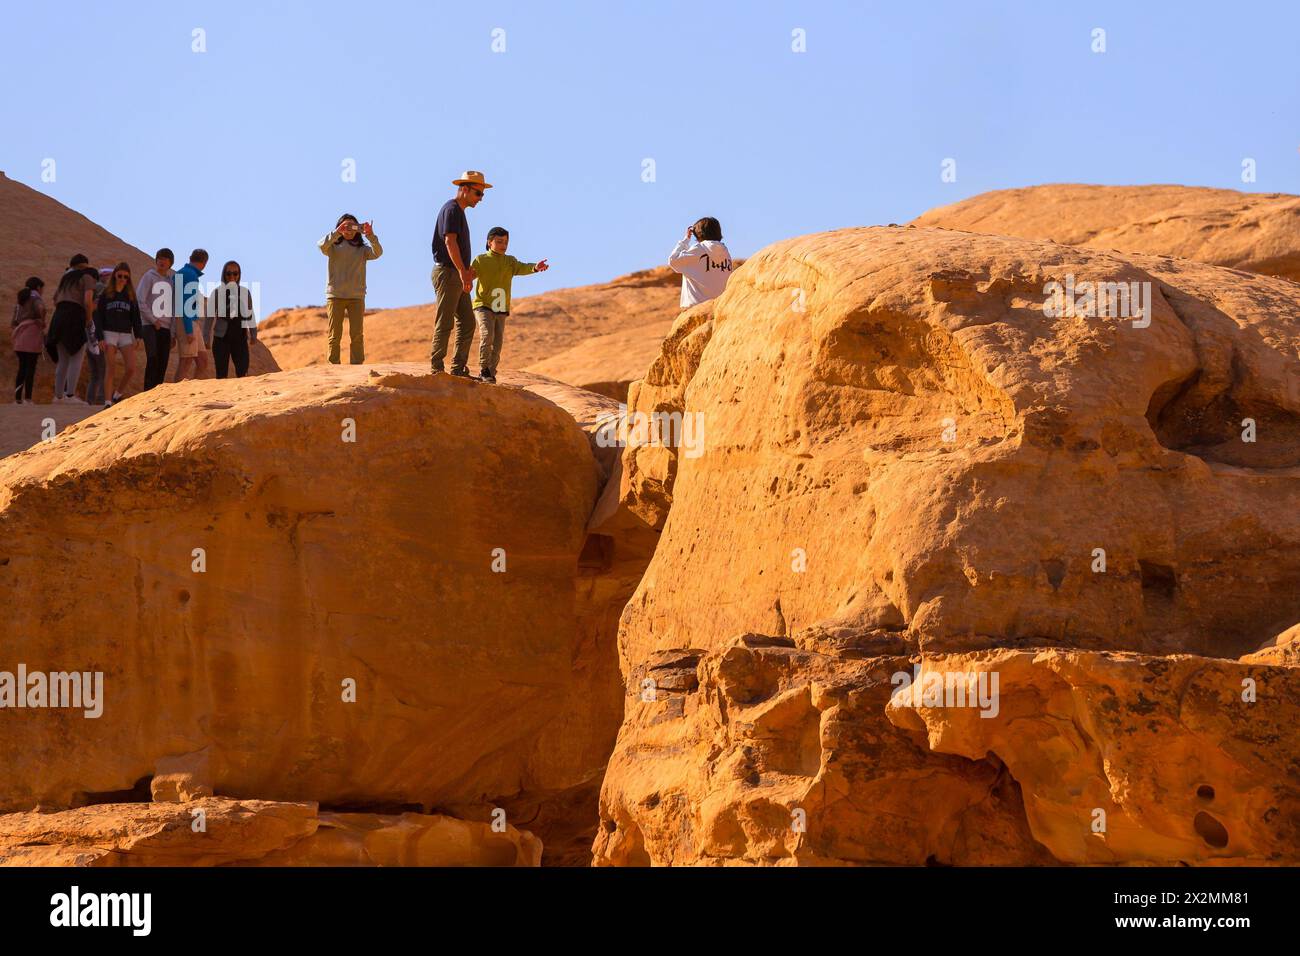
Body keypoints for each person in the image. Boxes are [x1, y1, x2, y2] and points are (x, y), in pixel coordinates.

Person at [469, 227, 548, 384]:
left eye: (505, 242)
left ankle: (491, 373)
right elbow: (469, 275)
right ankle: (483, 369)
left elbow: (523, 267)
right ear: (489, 242)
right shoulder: (480, 260)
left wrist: (535, 267)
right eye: (499, 242)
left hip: (501, 307)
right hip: (483, 305)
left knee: (498, 342)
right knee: (487, 335)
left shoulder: (510, 261)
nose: (503, 245)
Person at [430, 170, 489, 376]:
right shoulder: (452, 209)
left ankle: (457, 368)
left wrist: (465, 271)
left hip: (456, 273)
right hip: (448, 272)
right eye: (478, 193)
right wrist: (462, 271)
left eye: (482, 194)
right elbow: (449, 241)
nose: (481, 199)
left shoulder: (458, 211)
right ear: (464, 189)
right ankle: (437, 367)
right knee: (445, 321)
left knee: (467, 322)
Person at [318, 214, 382, 364]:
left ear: (358, 229)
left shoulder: (363, 249)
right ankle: (333, 366)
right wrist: (336, 233)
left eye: (353, 227)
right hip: (335, 295)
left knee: (357, 334)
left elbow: (378, 253)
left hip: (356, 297)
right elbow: (320, 245)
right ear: (339, 227)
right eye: (345, 227)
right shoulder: (332, 247)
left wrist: (371, 235)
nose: (349, 230)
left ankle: (357, 366)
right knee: (335, 335)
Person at [46, 254, 97, 404]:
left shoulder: (65, 278)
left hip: (59, 316)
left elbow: (55, 299)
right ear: (86, 265)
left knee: (63, 360)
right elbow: (88, 301)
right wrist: (88, 319)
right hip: (75, 315)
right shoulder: (87, 277)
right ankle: (70, 395)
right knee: (77, 357)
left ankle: (58, 396)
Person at [96, 262, 143, 405]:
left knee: (131, 368)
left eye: (126, 277)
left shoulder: (130, 296)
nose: (122, 279)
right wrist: (100, 337)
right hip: (109, 333)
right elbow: (98, 316)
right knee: (111, 368)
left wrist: (139, 335)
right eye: (120, 275)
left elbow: (135, 317)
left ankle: (117, 394)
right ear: (115, 275)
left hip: (125, 334)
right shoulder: (106, 294)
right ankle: (108, 401)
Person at [668, 216, 733, 308]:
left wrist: (686, 239)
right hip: (719, 307)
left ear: (698, 233)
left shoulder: (699, 249)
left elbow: (673, 260)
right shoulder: (725, 252)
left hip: (697, 308)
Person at [208, 260, 256, 378]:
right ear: (224, 274)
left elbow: (250, 314)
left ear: (239, 275)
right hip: (221, 339)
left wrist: (254, 334)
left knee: (242, 372)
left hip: (240, 338)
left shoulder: (245, 292)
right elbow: (209, 317)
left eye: (235, 273)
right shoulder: (217, 293)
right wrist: (205, 336)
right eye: (228, 273)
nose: (232, 277)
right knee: (221, 374)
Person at [137, 248, 176, 390]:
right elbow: (140, 300)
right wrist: (153, 320)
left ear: (170, 263)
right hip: (150, 326)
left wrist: (172, 333)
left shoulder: (171, 282)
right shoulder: (149, 276)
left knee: (163, 363)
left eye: (166, 259)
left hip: (166, 329)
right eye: (160, 258)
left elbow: (172, 307)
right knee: (152, 359)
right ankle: (147, 393)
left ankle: (156, 396)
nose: (162, 261)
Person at [173, 249, 209, 382]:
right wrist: (188, 329)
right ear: (205, 263)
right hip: (186, 321)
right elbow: (185, 303)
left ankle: (191, 393)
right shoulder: (190, 275)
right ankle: (175, 395)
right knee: (186, 360)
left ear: (190, 257)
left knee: (202, 361)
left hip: (191, 321)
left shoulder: (183, 272)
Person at [11, 277, 45, 404]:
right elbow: (41, 309)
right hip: (32, 335)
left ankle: (17, 399)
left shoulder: (20, 299)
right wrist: (41, 321)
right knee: (30, 369)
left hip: (19, 336)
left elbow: (14, 321)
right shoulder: (36, 298)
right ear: (38, 287)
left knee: (21, 368)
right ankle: (28, 398)